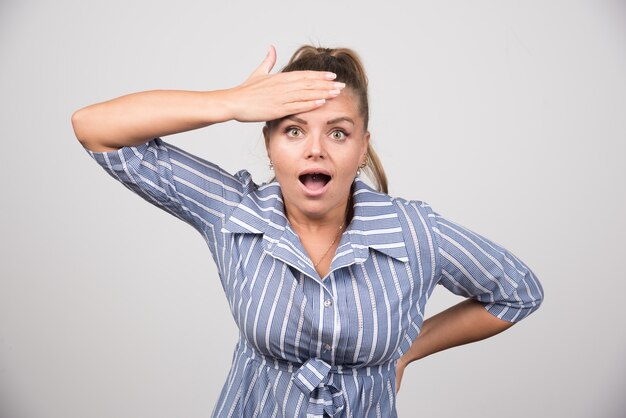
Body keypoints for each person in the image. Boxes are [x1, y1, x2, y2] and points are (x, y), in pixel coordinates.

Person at [71, 44, 544, 418]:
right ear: (269, 143)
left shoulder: (413, 232)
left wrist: (407, 350)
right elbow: (94, 127)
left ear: (362, 148)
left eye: (337, 132)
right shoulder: (232, 212)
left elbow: (517, 291)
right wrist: (231, 103)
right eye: (294, 130)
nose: (315, 149)